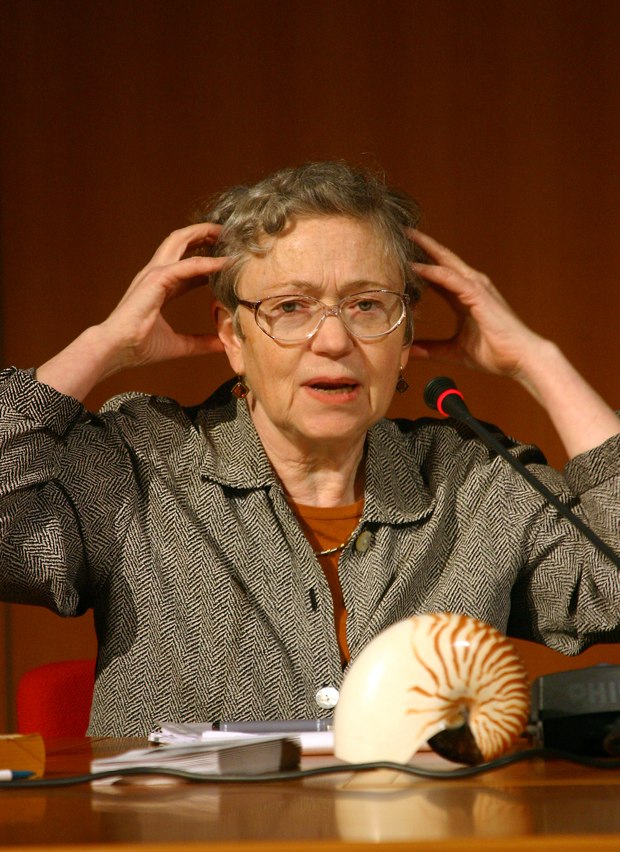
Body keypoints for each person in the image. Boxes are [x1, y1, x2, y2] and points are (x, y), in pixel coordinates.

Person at [1, 160, 618, 737]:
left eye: (368, 305)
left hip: (425, 844)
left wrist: (541, 363)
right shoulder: (137, 466)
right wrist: (103, 344)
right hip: (189, 848)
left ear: (404, 341)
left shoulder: (475, 483)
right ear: (233, 335)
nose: (333, 340)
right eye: (291, 307)